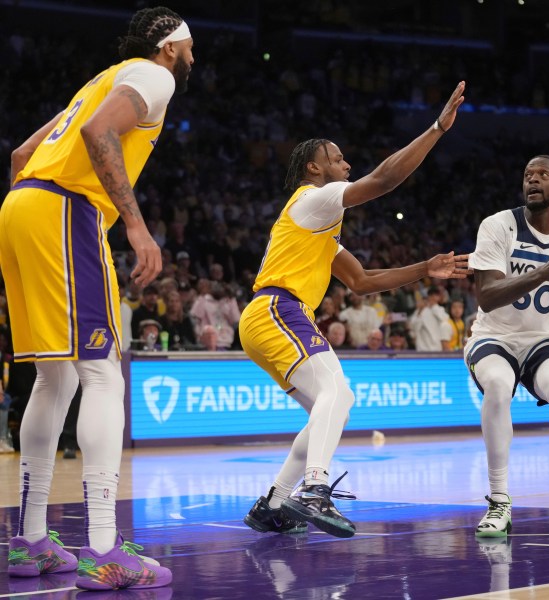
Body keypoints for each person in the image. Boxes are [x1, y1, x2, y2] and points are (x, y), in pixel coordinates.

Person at [0, 6, 194, 590]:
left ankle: (31, 541)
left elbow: (17, 159)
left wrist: (32, 218)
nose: (192, 58)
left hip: (22, 207)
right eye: (190, 48)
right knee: (104, 374)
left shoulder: (97, 82)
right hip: (64, 209)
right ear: (168, 48)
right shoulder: (152, 76)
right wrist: (133, 225)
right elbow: (98, 133)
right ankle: (106, 551)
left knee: (54, 378)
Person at [239, 80, 468, 539]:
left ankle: (275, 504)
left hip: (267, 317)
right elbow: (384, 180)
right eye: (337, 157)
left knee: (335, 406)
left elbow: (362, 282)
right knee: (338, 396)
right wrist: (437, 129)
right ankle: (313, 490)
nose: (346, 162)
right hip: (278, 309)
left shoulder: (318, 224)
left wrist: (426, 267)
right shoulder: (314, 198)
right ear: (314, 167)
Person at [464, 155, 549, 538]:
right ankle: (499, 502)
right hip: (494, 335)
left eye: (543, 174)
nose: (533, 180)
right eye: (527, 175)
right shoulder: (498, 225)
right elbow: (488, 296)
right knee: (497, 385)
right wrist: (548, 270)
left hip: (544, 338)